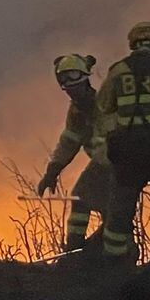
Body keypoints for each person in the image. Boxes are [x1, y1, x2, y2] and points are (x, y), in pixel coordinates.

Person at [36, 53, 110, 257]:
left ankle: (74, 251)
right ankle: (111, 253)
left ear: (85, 78)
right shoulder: (77, 111)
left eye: (74, 81)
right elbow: (69, 141)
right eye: (65, 84)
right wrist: (52, 171)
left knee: (81, 197)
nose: (70, 89)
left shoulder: (104, 103)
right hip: (105, 164)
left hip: (114, 160)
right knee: (111, 211)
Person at [94, 22, 150, 266]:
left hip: (129, 151)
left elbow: (104, 107)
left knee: (120, 209)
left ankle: (116, 266)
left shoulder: (119, 71)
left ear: (133, 43)